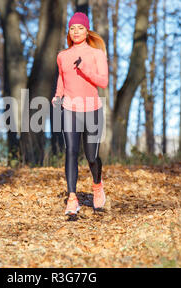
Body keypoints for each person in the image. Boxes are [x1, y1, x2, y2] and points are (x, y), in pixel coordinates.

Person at [51, 12, 108, 216]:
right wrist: (58, 95)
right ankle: (72, 198)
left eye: (80, 28)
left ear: (87, 30)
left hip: (92, 108)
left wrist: (84, 69)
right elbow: (62, 78)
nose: (76, 31)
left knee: (91, 156)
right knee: (71, 152)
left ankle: (97, 185)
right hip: (70, 109)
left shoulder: (96, 54)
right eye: (72, 28)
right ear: (69, 31)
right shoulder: (62, 56)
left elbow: (103, 82)